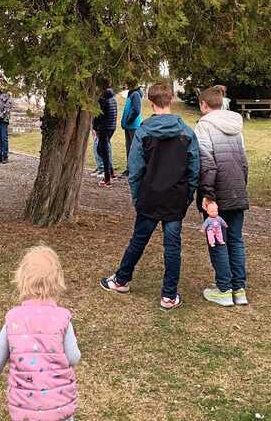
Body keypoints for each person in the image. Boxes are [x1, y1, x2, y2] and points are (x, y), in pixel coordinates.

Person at [101, 81, 199, 310]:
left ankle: (122, 280)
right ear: (171, 100)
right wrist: (186, 196)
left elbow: (135, 170)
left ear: (151, 102)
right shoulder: (186, 132)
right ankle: (168, 294)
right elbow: (194, 170)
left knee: (140, 240)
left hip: (154, 197)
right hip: (172, 198)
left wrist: (138, 197)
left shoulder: (146, 131)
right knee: (171, 246)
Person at [0, 246, 80, 421]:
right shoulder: (62, 319)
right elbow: (74, 357)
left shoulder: (13, 319)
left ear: (22, 281)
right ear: (57, 282)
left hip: (25, 405)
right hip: (58, 402)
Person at [193, 85, 249, 307]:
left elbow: (206, 163)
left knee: (217, 240)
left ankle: (224, 289)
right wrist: (241, 187)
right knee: (235, 239)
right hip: (237, 189)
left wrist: (208, 196)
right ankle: (239, 289)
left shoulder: (203, 126)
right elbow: (244, 162)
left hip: (216, 193)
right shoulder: (236, 127)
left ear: (204, 104)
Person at [92, 86, 118, 187]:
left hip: (103, 128)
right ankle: (111, 172)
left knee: (104, 152)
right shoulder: (113, 97)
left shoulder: (102, 99)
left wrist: (95, 127)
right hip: (111, 127)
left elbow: (98, 115)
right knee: (102, 150)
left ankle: (107, 179)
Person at [120, 85, 143, 176]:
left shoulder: (136, 94)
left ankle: (134, 170)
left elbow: (136, 110)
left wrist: (129, 120)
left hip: (133, 126)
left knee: (134, 148)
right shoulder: (131, 93)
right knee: (129, 147)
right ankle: (129, 169)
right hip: (129, 126)